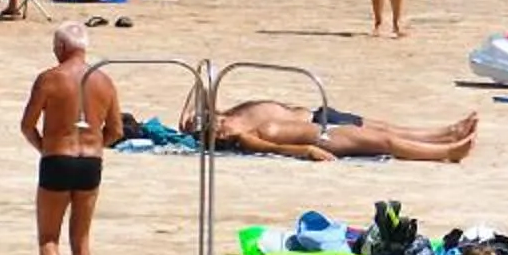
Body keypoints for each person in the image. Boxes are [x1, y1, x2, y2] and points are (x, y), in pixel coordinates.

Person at [22, 24, 121, 255]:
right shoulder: (104, 81)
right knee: (81, 239)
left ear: (61, 48)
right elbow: (116, 130)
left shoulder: (50, 78)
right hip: (90, 163)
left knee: (48, 236)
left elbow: (27, 125)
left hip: (57, 159)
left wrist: (45, 149)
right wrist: (96, 147)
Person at [203, 97, 477, 162]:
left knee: (385, 130)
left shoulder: (236, 116)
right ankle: (448, 151)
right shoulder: (247, 137)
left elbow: (198, 100)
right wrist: (310, 151)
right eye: (216, 129)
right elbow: (277, 148)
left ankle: (448, 134)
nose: (219, 125)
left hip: (318, 121)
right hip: (323, 137)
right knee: (385, 141)